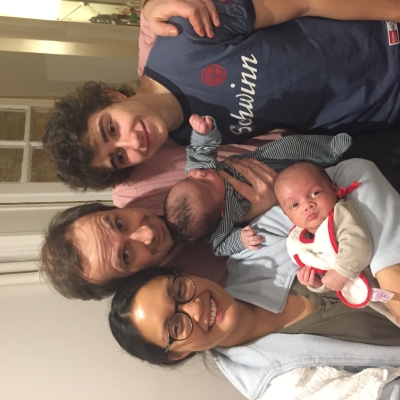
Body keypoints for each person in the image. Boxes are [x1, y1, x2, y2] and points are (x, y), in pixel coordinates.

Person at [108, 158, 400, 399]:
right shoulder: (275, 384)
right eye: (176, 326)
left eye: (180, 290)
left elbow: (353, 174)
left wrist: (390, 273)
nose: (196, 306)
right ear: (176, 355)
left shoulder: (258, 249)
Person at [43, 0, 400, 190]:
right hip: (384, 115)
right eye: (119, 157)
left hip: (384, 42)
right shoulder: (196, 146)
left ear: (112, 98)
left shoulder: (181, 37)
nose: (132, 142)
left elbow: (303, 3)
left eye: (111, 129)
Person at [40, 158, 278, 300]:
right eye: (126, 256)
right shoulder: (189, 291)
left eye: (120, 223)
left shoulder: (137, 182)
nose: (148, 233)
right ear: (130, 280)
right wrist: (268, 208)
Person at [165, 114, 351, 255]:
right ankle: (331, 176)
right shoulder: (220, 227)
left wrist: (203, 133)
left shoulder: (201, 170)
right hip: (282, 193)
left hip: (265, 160)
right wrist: (241, 239)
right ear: (221, 208)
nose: (198, 173)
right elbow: (220, 247)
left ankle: (330, 148)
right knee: (309, 189)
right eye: (205, 183)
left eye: (188, 179)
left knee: (289, 145)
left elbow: (200, 152)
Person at [274, 162, 400, 320]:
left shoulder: (341, 214)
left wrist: (341, 273)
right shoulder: (303, 244)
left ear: (334, 189)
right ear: (287, 216)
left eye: (314, 193)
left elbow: (358, 245)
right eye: (294, 205)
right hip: (379, 299)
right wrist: (317, 284)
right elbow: (331, 279)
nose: (307, 205)